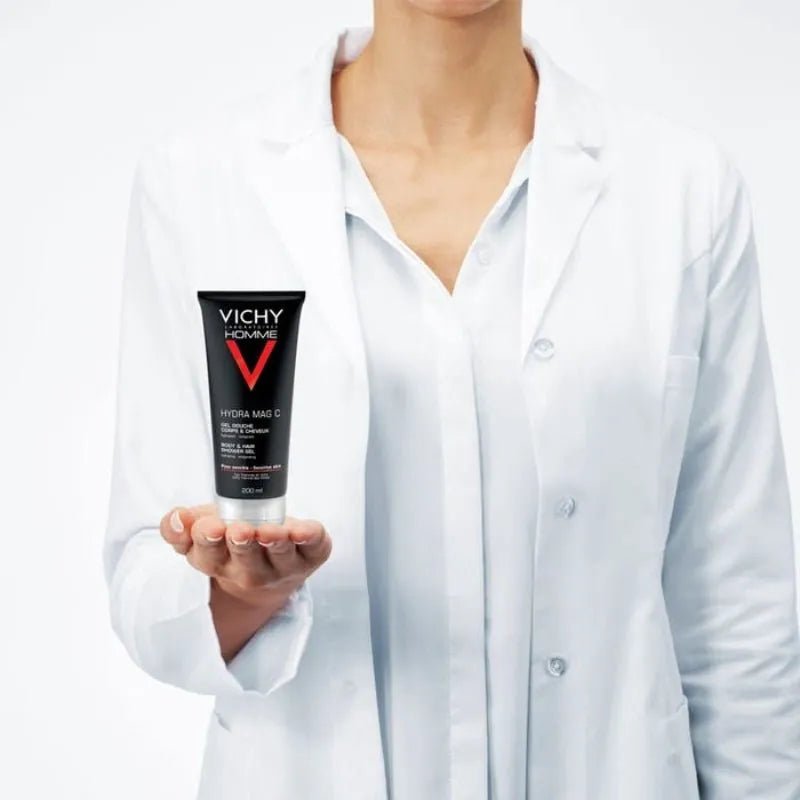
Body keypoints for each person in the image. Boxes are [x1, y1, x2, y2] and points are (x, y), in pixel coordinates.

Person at [103, 4, 800, 800]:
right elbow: (144, 581)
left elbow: (738, 609)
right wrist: (238, 593)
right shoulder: (201, 185)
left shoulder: (682, 194)